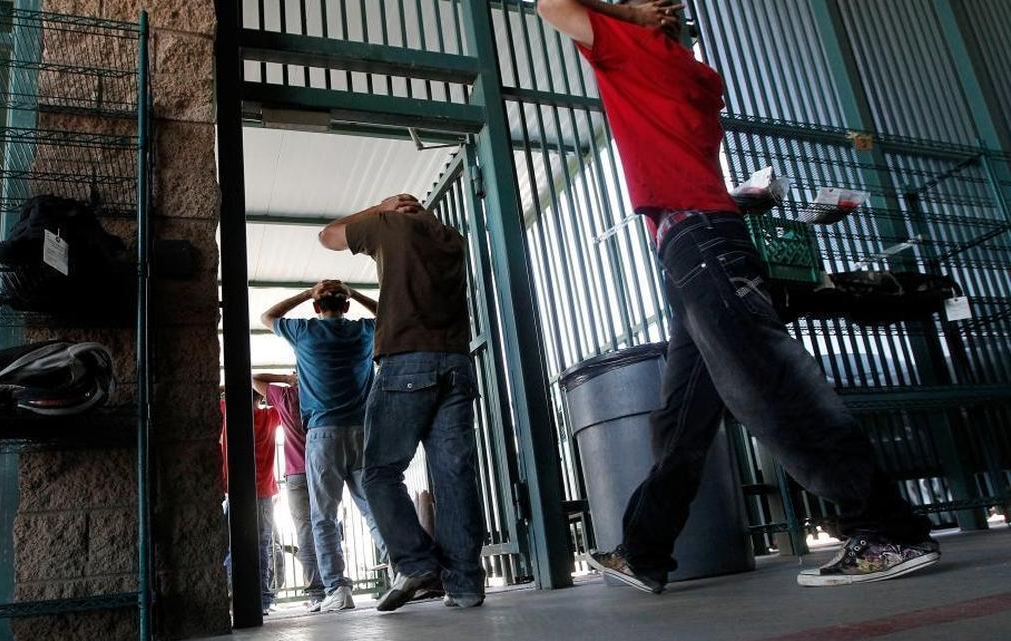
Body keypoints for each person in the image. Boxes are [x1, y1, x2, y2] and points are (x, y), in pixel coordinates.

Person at [535, 0, 938, 593]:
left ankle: (886, 529)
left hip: (698, 238)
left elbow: (549, 3)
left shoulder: (636, 47)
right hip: (693, 243)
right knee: (683, 416)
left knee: (766, 381)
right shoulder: (697, 74)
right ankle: (644, 550)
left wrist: (630, 16)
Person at [319, 194, 487, 612]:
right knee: (455, 475)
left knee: (378, 472)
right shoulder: (453, 239)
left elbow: (327, 237)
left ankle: (416, 562)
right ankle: (465, 585)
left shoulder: (389, 225)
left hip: (406, 363)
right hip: (457, 363)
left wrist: (379, 207)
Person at [262, 280, 387, 612]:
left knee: (324, 517)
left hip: (323, 435)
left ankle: (337, 589)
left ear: (317, 308)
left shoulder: (304, 332)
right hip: (362, 431)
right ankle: (403, 571)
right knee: (374, 509)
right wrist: (353, 292)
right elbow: (389, 312)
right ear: (346, 307)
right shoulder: (363, 332)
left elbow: (267, 316)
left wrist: (307, 293)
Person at [252, 372, 327, 612]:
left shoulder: (286, 397)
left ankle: (316, 593)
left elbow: (253, 378)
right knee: (327, 524)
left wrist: (285, 379)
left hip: (295, 474)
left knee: (303, 531)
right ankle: (334, 587)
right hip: (323, 468)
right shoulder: (319, 395)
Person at [219, 387, 279, 614]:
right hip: (264, 491)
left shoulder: (227, 412)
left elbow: (212, 393)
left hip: (238, 491)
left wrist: (226, 389)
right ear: (259, 399)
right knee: (262, 545)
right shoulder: (270, 416)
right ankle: (262, 599)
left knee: (236, 544)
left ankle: (235, 594)